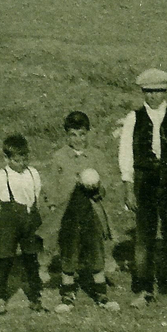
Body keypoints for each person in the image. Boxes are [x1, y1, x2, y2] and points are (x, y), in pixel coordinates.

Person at [117, 68, 167, 308]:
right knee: (144, 237)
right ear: (143, 92)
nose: (153, 96)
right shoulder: (134, 118)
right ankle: (143, 289)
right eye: (149, 92)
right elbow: (125, 154)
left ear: (166, 92)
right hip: (144, 183)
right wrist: (128, 186)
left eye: (158, 91)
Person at [41, 110, 114, 308]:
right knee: (69, 249)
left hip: (90, 210)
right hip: (68, 212)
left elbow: (106, 181)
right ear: (67, 135)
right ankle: (68, 292)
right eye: (73, 135)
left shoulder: (96, 156)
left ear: (88, 133)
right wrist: (54, 203)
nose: (78, 139)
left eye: (82, 134)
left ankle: (100, 292)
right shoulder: (59, 157)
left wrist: (97, 186)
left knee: (95, 249)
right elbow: (51, 184)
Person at [0, 133, 45, 315]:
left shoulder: (33, 173)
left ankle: (35, 297)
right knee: (5, 260)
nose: (21, 163)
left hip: (29, 220)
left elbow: (37, 193)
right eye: (17, 160)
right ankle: (1, 298)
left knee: (32, 260)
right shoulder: (1, 176)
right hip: (8, 222)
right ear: (7, 158)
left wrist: (35, 213)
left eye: (24, 159)